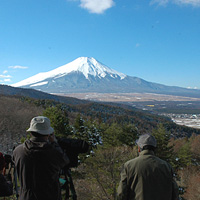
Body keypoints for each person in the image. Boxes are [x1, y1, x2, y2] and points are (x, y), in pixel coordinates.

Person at [13, 116, 70, 200]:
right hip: (49, 196)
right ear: (48, 134)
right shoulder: (53, 152)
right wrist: (54, 142)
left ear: (31, 132)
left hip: (26, 196)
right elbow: (65, 161)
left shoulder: (18, 151)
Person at [117, 134, 179, 200]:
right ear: (154, 148)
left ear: (139, 148)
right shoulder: (167, 167)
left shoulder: (128, 166)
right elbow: (175, 193)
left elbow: (121, 193)